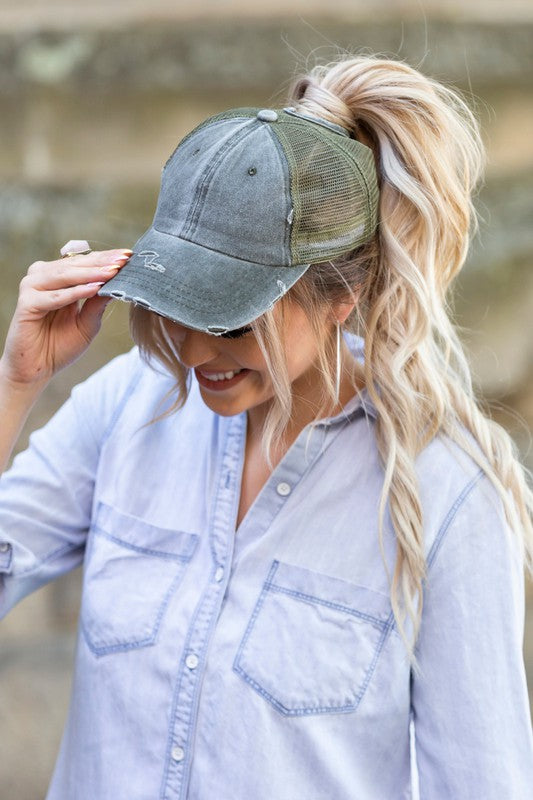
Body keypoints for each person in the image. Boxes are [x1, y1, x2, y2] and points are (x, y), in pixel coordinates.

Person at [0, 54, 532, 800]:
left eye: (231, 321)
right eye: (177, 305)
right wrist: (17, 383)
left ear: (342, 294)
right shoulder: (127, 404)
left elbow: (484, 781)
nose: (192, 352)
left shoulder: (445, 494)